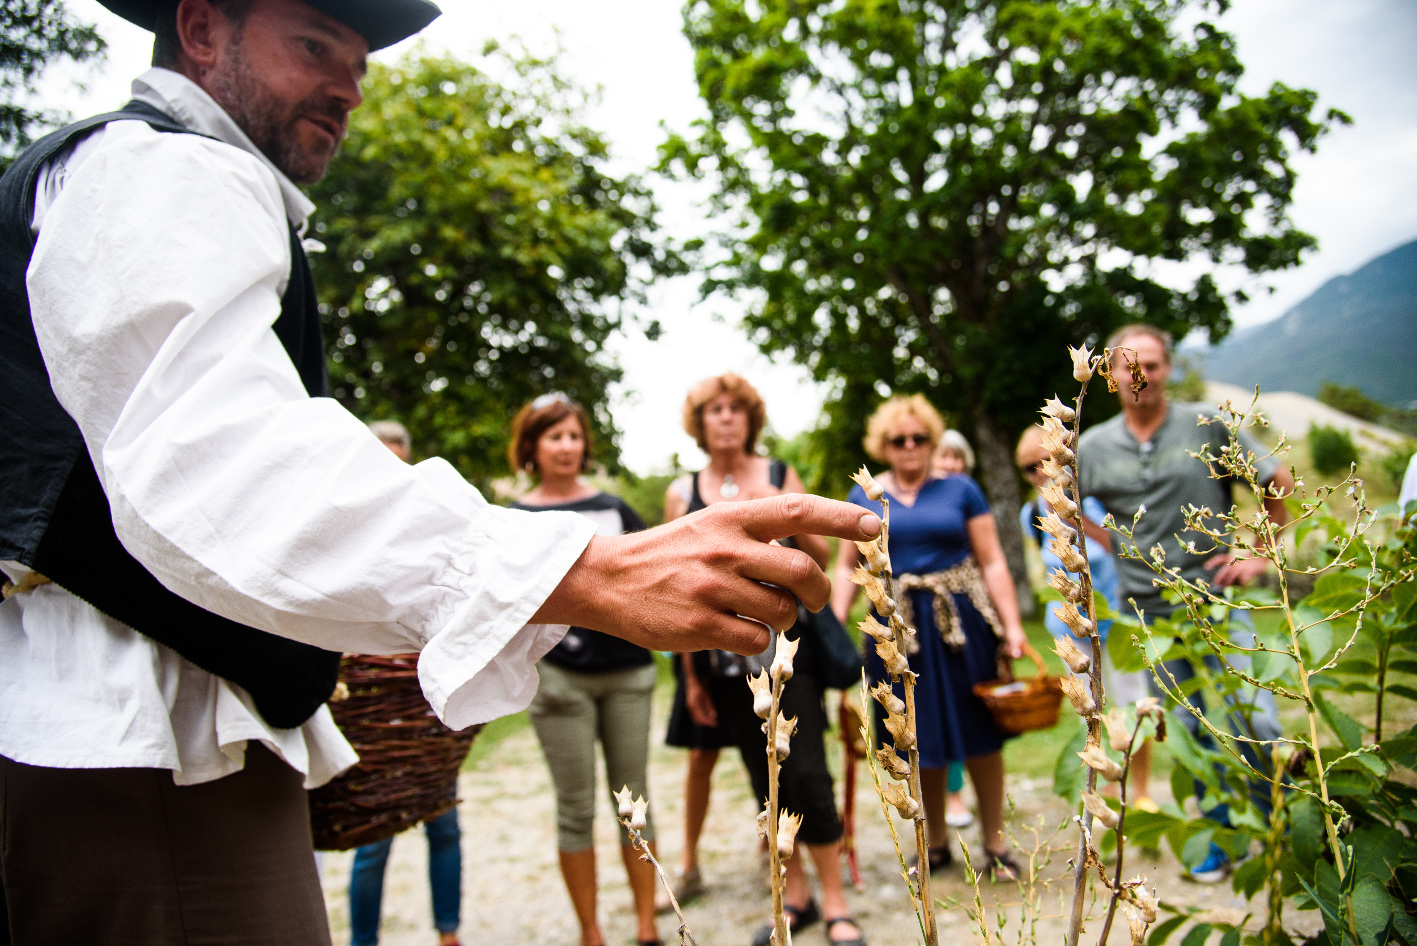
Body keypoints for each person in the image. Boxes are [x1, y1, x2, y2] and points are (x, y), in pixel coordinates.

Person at [0, 0, 882, 940]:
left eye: (359, 67)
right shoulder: (157, 167)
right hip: (143, 740)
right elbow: (217, 459)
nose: (347, 89)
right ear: (202, 29)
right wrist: (590, 570)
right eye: (314, 46)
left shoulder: (166, 178)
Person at [1077, 323, 1292, 883]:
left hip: (1218, 600)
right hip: (1148, 610)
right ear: (1111, 376)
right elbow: (1059, 502)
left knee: (1254, 715)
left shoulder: (1207, 424)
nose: (1140, 375)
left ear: (1168, 368)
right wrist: (1113, 544)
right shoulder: (1093, 445)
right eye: (1128, 365)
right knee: (1191, 727)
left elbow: (1278, 481)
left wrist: (1257, 552)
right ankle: (1221, 837)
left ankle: (1280, 826)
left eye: (1150, 363)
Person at [663, 373, 865, 946]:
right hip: (723, 662)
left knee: (807, 772)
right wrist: (692, 681)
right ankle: (794, 896)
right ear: (700, 422)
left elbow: (819, 553)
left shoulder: (779, 475)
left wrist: (791, 526)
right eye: (714, 409)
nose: (726, 417)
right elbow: (678, 588)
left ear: (751, 419)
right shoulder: (682, 491)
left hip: (788, 653)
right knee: (765, 778)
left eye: (736, 408)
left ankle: (834, 899)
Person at [834, 395, 1027, 880]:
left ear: (932, 440)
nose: (910, 446)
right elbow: (846, 567)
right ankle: (935, 842)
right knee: (918, 736)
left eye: (919, 438)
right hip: (895, 631)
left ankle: (995, 843)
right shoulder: (864, 495)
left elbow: (992, 560)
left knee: (982, 734)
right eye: (898, 439)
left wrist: (1013, 626)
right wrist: (832, 627)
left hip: (959, 624)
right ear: (883, 445)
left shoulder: (961, 489)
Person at [508, 394, 662, 946]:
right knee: (575, 808)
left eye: (575, 436)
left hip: (627, 675)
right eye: (555, 436)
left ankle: (647, 925)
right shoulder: (513, 520)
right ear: (532, 447)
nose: (567, 446)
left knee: (633, 801)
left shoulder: (615, 510)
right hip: (558, 679)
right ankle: (591, 932)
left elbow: (651, 577)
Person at [345, 421, 465, 946]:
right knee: (374, 837)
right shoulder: (344, 534)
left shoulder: (430, 531)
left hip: (427, 697)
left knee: (444, 822)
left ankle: (449, 934)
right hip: (374, 705)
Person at [1015, 425, 1155, 809]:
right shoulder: (1031, 513)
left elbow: (1120, 547)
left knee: (1133, 702)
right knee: (1088, 712)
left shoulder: (1091, 499)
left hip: (1114, 618)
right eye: (1029, 467)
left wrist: (1074, 519)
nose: (1040, 472)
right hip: (1070, 627)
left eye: (1046, 460)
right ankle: (1105, 788)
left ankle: (1142, 790)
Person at [929, 431, 975, 828]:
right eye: (944, 456)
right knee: (937, 712)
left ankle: (971, 793)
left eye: (957, 457)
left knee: (968, 708)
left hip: (968, 610)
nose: (950, 464)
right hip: (927, 617)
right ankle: (952, 796)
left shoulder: (968, 496)